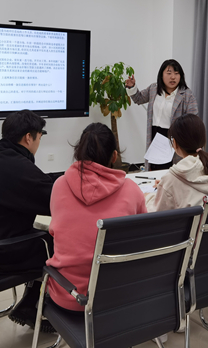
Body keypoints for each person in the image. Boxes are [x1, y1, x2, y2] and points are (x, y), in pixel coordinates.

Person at [0, 110, 61, 330]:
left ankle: (30, 302)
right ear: (28, 138)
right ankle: (38, 307)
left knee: (41, 236)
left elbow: (38, 183)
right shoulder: (16, 167)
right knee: (59, 242)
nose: (40, 141)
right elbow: (53, 201)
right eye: (40, 136)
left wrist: (63, 178)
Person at [46, 123, 147, 311]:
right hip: (118, 297)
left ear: (78, 152)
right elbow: (142, 240)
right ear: (114, 156)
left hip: (68, 297)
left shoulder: (59, 185)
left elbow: (56, 232)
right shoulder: (132, 190)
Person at [148, 114, 208, 213]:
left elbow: (155, 213)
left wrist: (148, 197)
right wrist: (164, 186)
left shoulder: (172, 178)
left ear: (174, 143)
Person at [125, 59, 198, 171]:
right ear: (161, 75)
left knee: (171, 170)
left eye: (176, 73)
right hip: (154, 135)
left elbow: (193, 119)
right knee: (154, 170)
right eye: (169, 73)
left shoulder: (187, 95)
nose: (173, 77)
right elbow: (139, 99)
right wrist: (132, 87)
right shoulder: (153, 89)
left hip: (173, 138)